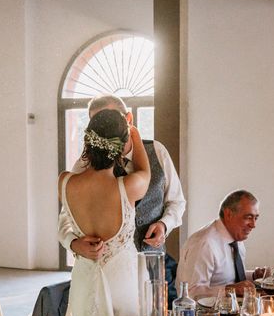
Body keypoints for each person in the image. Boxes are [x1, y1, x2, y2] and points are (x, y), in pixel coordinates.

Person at [58, 94, 185, 304]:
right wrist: (72, 243)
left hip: (152, 262)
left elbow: (177, 201)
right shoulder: (84, 164)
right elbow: (66, 214)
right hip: (108, 271)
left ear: (128, 119)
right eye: (96, 123)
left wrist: (164, 224)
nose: (103, 129)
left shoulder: (158, 151)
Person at [59, 109, 150, 316]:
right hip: (123, 282)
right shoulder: (129, 186)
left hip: (84, 281)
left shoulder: (65, 182)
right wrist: (135, 133)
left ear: (87, 142)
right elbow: (145, 171)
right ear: (122, 147)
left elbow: (65, 220)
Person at [177, 190, 266, 298]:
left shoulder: (236, 237)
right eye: (248, 217)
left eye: (255, 218)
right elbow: (191, 293)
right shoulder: (204, 243)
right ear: (228, 214)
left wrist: (253, 276)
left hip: (233, 308)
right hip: (207, 313)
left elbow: (226, 277)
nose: (253, 225)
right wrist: (231, 290)